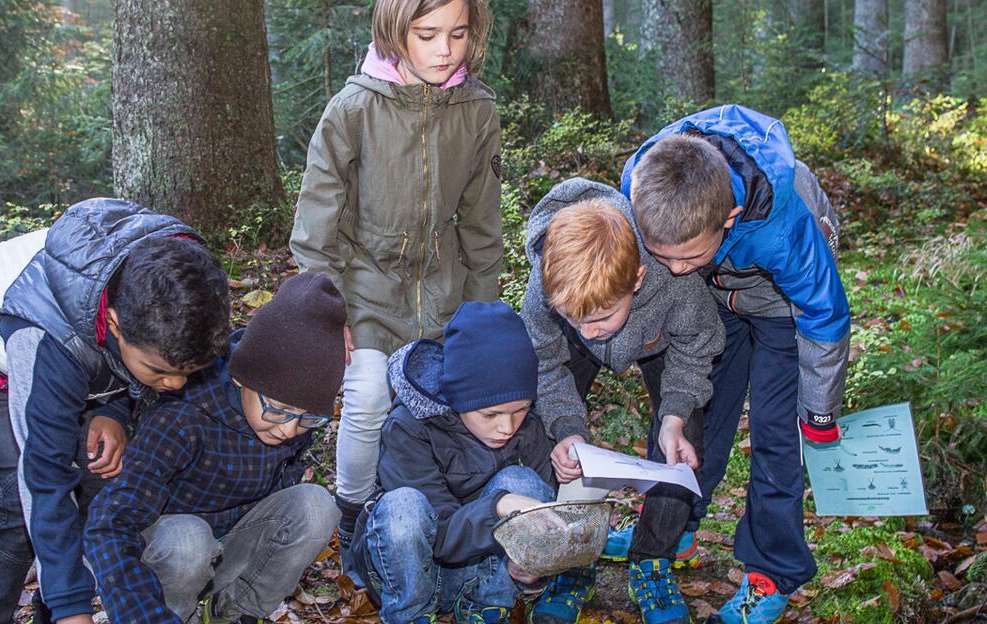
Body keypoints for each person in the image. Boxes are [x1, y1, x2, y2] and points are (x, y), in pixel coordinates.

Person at [0, 198, 231, 624]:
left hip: (68, 334)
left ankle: (49, 612)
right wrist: (74, 611)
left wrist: (115, 408)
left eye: (189, 372)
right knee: (19, 504)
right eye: (160, 371)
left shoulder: (185, 284)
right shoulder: (47, 341)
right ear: (113, 323)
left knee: (97, 474)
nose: (176, 386)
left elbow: (125, 360)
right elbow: (44, 476)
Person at [620, 104, 851, 624]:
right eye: (665, 256)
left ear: (727, 219)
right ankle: (674, 524)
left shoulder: (784, 227)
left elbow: (824, 313)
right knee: (701, 412)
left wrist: (819, 412)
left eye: (687, 256)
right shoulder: (646, 182)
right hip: (713, 301)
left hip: (780, 308)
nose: (674, 268)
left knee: (774, 434)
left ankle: (772, 570)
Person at [288, 0, 504, 545]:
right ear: (394, 29)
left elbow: (481, 225)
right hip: (364, 290)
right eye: (427, 34)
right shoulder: (353, 108)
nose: (444, 49)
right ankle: (353, 512)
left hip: (443, 292)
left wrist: (480, 315)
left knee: (450, 401)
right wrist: (323, 312)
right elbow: (317, 226)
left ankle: (443, 514)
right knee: (366, 395)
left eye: (457, 34)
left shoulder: (476, 110)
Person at [515, 179, 724, 624]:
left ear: (637, 278)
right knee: (546, 435)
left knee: (685, 441)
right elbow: (545, 364)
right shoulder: (546, 288)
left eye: (604, 315)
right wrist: (568, 429)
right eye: (576, 319)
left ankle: (653, 558)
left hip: (661, 343)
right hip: (566, 348)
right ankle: (570, 558)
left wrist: (674, 413)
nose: (590, 330)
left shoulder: (671, 276)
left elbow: (699, 342)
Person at [85, 272, 348, 624]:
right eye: (278, 410)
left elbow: (280, 492)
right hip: (168, 553)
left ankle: (233, 613)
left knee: (316, 506)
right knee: (188, 540)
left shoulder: (288, 417)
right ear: (242, 378)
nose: (288, 429)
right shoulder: (183, 417)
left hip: (229, 546)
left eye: (307, 418)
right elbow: (110, 523)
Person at [343, 301, 559, 624]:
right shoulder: (409, 426)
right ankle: (411, 616)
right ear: (458, 397)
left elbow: (545, 525)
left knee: (525, 484)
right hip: (406, 571)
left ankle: (486, 609)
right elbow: (440, 537)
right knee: (403, 506)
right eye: (490, 414)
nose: (507, 426)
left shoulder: (528, 430)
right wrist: (500, 506)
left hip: (474, 575)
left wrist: (534, 567)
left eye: (521, 409)